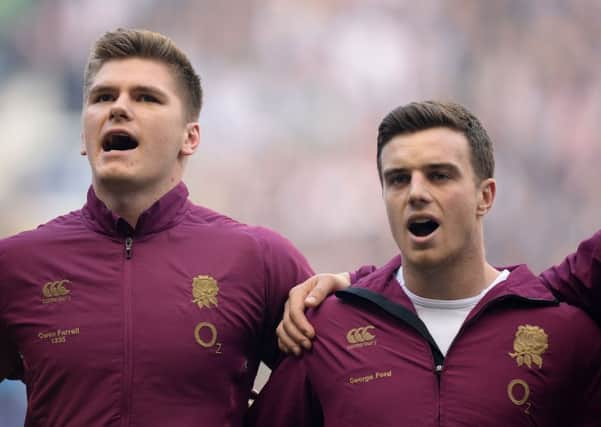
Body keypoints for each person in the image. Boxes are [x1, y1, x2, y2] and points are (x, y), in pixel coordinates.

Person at [0, 28, 315, 427]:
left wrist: (349, 287)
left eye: (146, 97)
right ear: (83, 135)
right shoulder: (15, 263)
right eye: (103, 97)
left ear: (190, 137)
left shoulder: (258, 258)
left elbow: (341, 380)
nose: (118, 108)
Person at [247, 101, 601, 426]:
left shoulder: (567, 336)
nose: (416, 192)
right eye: (398, 179)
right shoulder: (325, 330)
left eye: (439, 175)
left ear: (485, 196)